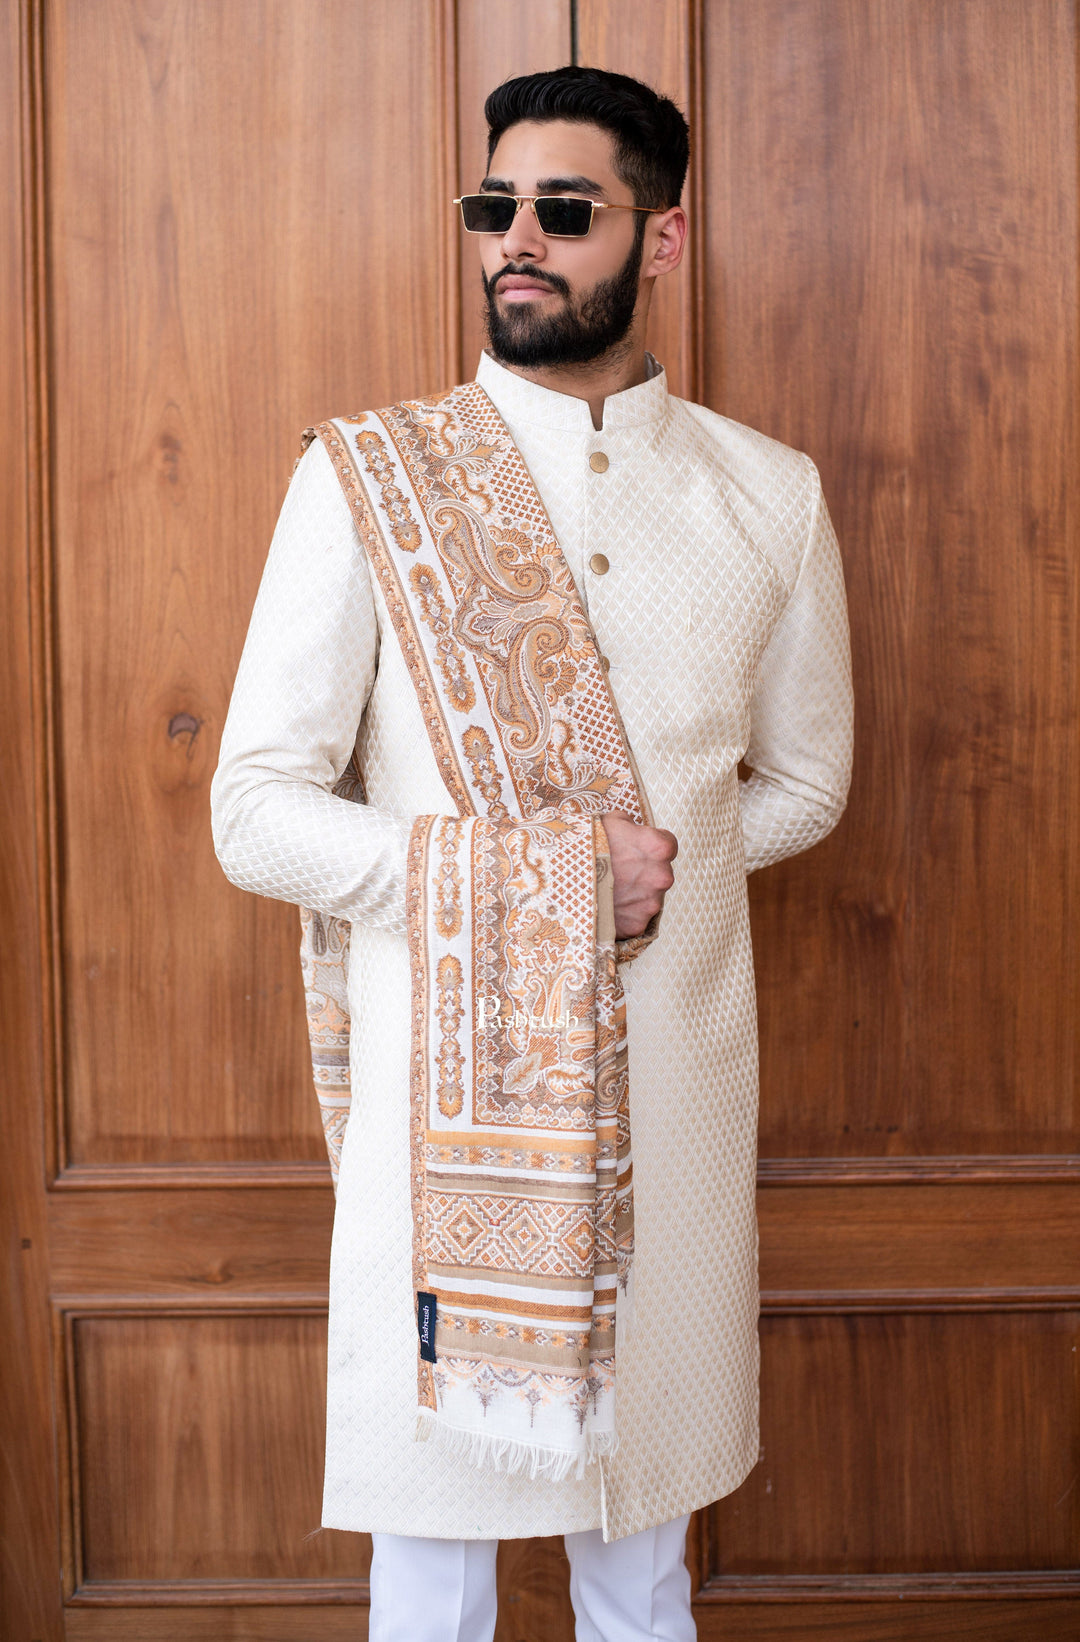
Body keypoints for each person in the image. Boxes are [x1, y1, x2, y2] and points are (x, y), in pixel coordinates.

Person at [211, 64, 853, 1642]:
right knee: (433, 1585)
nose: (518, 237)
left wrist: (664, 871)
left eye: (565, 210)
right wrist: (545, 892)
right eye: (494, 205)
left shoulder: (769, 498)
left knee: (644, 1573)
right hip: (449, 1131)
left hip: (674, 1114)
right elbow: (256, 810)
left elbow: (807, 784)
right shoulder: (369, 480)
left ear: (662, 236)